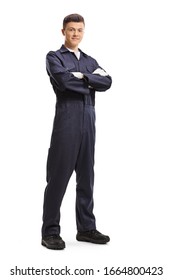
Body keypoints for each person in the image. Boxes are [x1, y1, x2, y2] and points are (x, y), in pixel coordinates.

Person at [41, 13, 112, 250]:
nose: (75, 34)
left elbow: (108, 82)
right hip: (67, 121)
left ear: (84, 32)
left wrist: (82, 76)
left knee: (86, 177)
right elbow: (63, 81)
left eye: (79, 30)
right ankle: (50, 231)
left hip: (89, 122)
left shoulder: (90, 60)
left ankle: (86, 229)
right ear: (63, 31)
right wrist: (91, 81)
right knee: (58, 177)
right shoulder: (54, 57)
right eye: (71, 29)